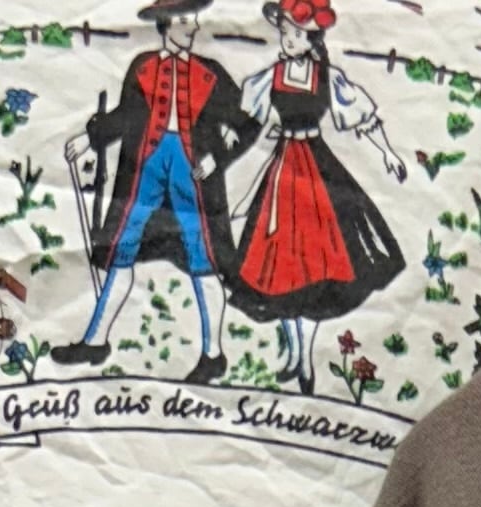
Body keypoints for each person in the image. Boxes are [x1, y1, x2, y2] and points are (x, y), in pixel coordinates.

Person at [52, 0, 259, 384]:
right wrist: (90, 137)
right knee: (120, 250)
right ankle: (96, 341)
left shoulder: (211, 74)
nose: (193, 27)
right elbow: (125, 116)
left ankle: (213, 355)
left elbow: (248, 124)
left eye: (193, 20)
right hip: (144, 168)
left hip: (192, 173)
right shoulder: (143, 66)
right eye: (183, 21)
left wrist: (217, 159)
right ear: (164, 24)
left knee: (204, 258)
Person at [226, 0, 409, 394]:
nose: (287, 39)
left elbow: (362, 119)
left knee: (314, 266)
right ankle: (293, 353)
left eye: (295, 33)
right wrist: (226, 136)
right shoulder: (271, 76)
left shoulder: (328, 78)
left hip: (316, 172)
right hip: (282, 174)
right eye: (284, 32)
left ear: (312, 39)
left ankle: (305, 357)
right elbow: (247, 118)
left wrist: (388, 153)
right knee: (278, 269)